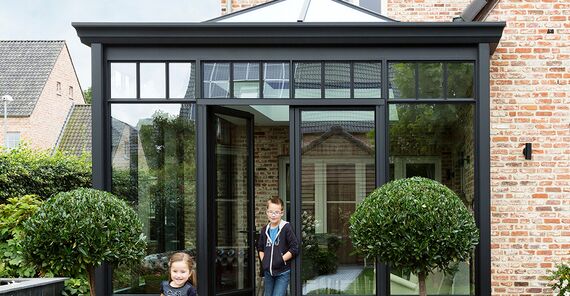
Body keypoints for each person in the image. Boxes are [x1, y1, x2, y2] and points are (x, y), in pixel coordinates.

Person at [257, 197, 299, 296]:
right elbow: (260, 248)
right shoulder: (264, 230)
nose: (273, 215)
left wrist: (280, 259)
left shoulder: (286, 227)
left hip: (282, 273)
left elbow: (294, 248)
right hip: (268, 273)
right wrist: (265, 261)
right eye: (270, 211)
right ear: (267, 212)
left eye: (276, 212)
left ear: (282, 213)